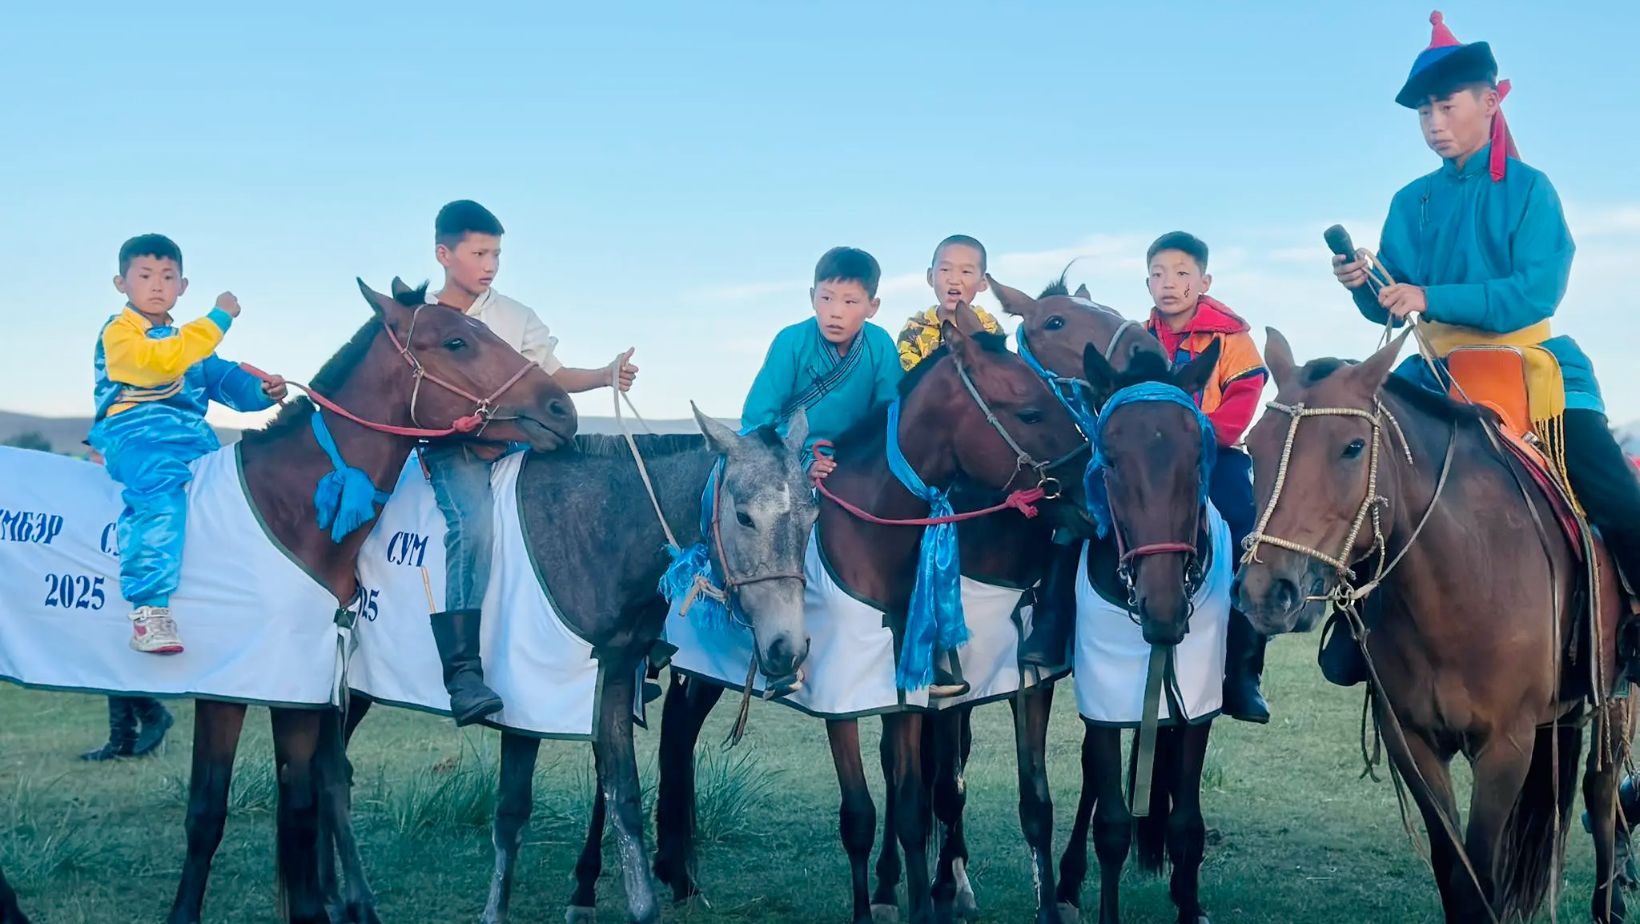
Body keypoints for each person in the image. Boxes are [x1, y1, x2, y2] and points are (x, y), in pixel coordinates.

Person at [1328, 10, 1640, 687]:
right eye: (1423, 113)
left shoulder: (1532, 190)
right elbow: (1396, 297)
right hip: (1435, 371)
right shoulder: (1409, 201)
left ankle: (1636, 626)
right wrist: (1366, 284)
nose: (1434, 122)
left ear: (1490, 101)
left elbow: (1536, 291)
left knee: (1618, 496)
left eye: (1446, 105)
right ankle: (1356, 624)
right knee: (1360, 469)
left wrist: (1428, 295)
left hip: (1533, 370)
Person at [421, 200, 638, 725]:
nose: (490, 264)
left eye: (496, 253)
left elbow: (550, 374)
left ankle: (620, 640)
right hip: (456, 449)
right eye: (479, 253)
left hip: (518, 441)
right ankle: (464, 672)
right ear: (444, 254)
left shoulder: (514, 316)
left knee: (585, 494)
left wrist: (604, 375)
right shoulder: (420, 316)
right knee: (472, 527)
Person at [89, 234, 287, 655]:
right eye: (144, 276)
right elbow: (163, 362)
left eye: (167, 276)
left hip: (196, 440)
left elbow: (225, 379)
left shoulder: (191, 345)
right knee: (160, 493)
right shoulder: (119, 334)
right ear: (121, 283)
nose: (157, 285)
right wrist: (219, 317)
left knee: (241, 492)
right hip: (137, 436)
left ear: (183, 287)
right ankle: (149, 610)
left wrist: (261, 390)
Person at [1142, 231, 1270, 723]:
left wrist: (1192, 437)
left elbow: (1242, 402)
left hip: (1217, 459)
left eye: (1180, 274)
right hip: (1151, 466)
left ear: (1204, 280)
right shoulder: (1138, 337)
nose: (1168, 284)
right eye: (1157, 274)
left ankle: (1242, 672)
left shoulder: (1232, 338)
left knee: (1245, 539)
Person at [77, 443, 176, 760]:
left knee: (114, 652)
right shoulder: (98, 483)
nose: (94, 457)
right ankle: (126, 733)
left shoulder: (134, 481)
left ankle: (145, 718)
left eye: (97, 451)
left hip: (130, 576)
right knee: (109, 654)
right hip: (105, 575)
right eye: (92, 452)